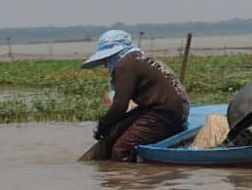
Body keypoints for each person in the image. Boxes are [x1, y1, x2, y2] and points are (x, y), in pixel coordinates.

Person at [81, 30, 189, 162]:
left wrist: (102, 125)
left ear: (114, 55)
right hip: (166, 110)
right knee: (115, 131)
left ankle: (130, 178)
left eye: (106, 60)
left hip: (164, 113)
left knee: (121, 150)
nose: (104, 65)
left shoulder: (124, 65)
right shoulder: (135, 60)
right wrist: (110, 128)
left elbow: (119, 107)